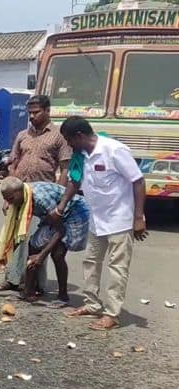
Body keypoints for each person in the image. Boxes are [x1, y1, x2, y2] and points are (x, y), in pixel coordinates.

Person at [54, 116, 147, 331]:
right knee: (91, 262)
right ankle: (92, 304)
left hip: (120, 219)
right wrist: (61, 206)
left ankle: (112, 314)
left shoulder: (114, 150)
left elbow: (138, 180)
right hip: (97, 220)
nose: (68, 145)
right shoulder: (81, 156)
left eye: (69, 140)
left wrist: (139, 217)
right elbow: (75, 181)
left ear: (79, 136)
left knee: (117, 268)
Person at [0, 95, 72, 295]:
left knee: (40, 240)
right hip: (20, 194)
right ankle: (12, 279)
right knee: (15, 236)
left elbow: (65, 169)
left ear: (48, 111)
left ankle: (35, 283)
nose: (32, 116)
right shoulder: (22, 135)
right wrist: (8, 196)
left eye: (36, 112)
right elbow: (13, 163)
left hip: (44, 195)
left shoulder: (58, 136)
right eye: (29, 113)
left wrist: (59, 200)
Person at [0, 177, 89, 308]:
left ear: (19, 192)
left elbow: (60, 230)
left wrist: (42, 256)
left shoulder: (40, 199)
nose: (9, 203)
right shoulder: (21, 196)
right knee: (33, 244)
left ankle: (63, 296)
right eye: (6, 199)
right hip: (52, 216)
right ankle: (28, 292)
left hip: (74, 213)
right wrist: (5, 256)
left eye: (11, 199)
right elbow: (16, 231)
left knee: (58, 253)